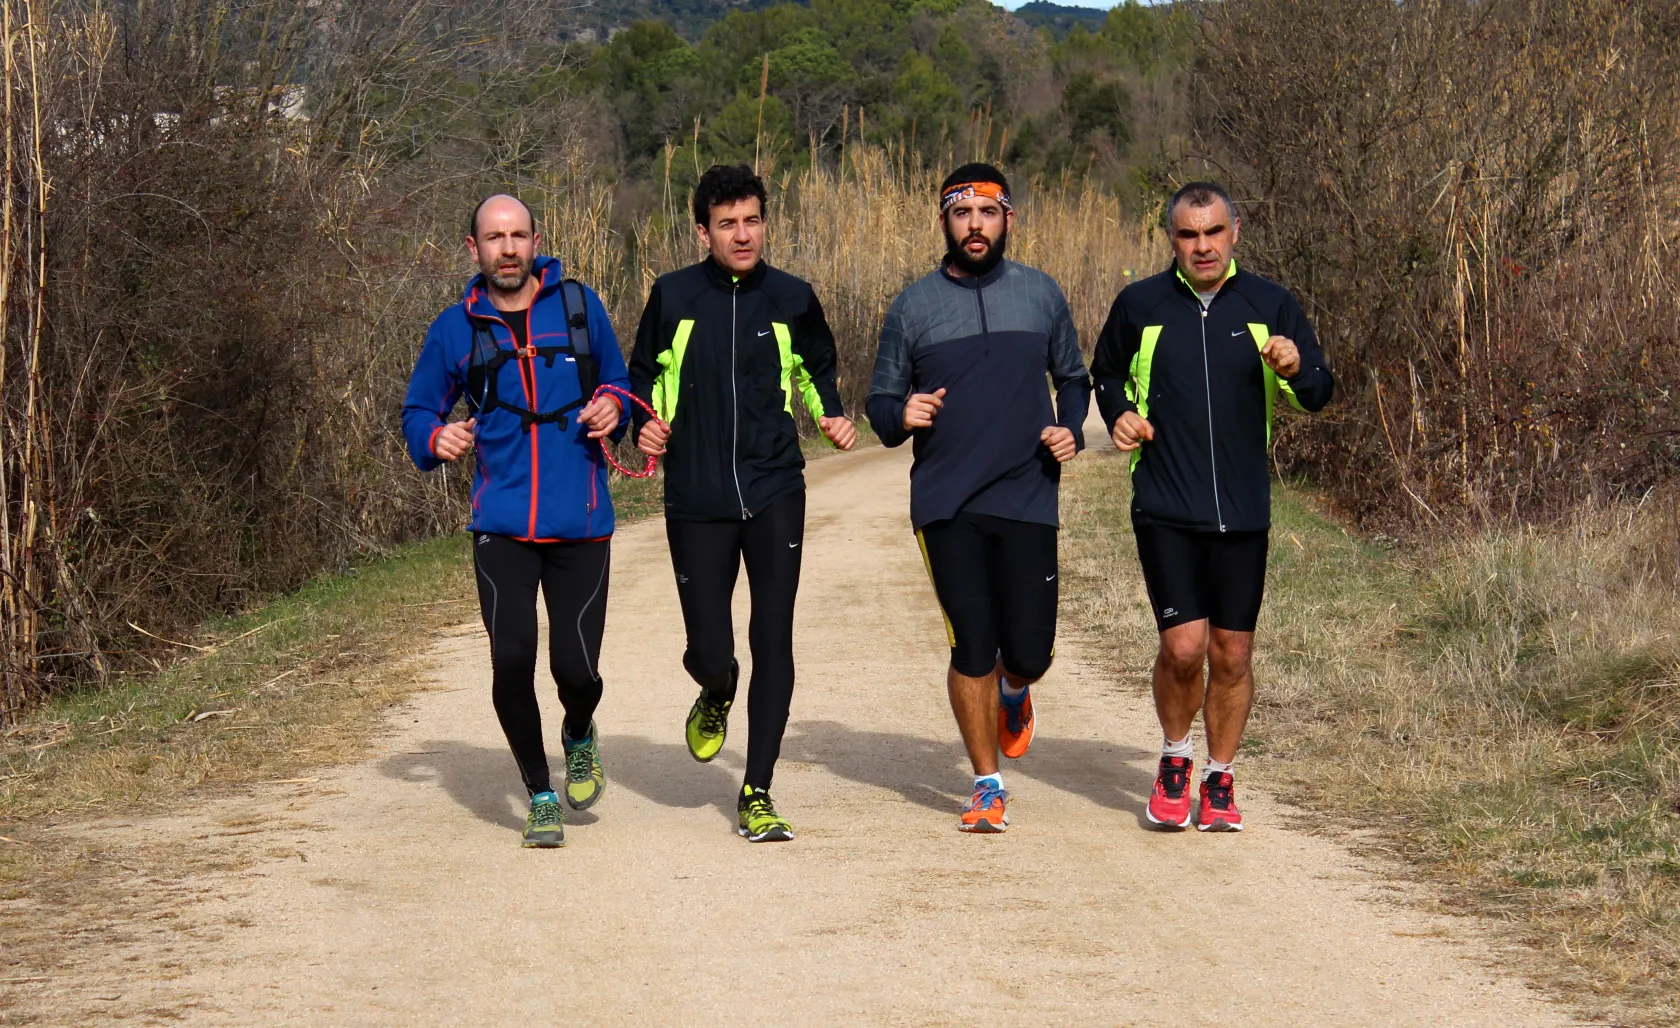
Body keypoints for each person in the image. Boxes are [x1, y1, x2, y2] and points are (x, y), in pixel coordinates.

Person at [1091, 181, 1334, 832]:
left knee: (1231, 654)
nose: (1202, 246)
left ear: (1235, 232)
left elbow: (1318, 390)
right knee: (1184, 647)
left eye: (1213, 233)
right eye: (1188, 235)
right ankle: (1176, 759)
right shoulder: (1140, 304)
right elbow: (1106, 372)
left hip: (1244, 511)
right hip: (1165, 504)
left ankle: (1219, 777)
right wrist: (1119, 415)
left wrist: (1293, 366)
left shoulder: (1269, 303)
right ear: (1172, 239)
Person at [629, 164, 855, 843]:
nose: (743, 233)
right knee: (711, 649)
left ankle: (757, 790)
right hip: (695, 494)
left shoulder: (792, 296)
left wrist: (831, 415)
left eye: (752, 220)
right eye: (727, 223)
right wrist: (644, 424)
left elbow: (816, 367)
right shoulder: (672, 296)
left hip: (774, 486)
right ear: (703, 231)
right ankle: (716, 689)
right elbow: (644, 376)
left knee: (772, 634)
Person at [865, 163, 1090, 834]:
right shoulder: (912, 307)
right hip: (946, 503)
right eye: (961, 214)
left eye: (987, 213)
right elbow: (880, 407)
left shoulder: (1042, 296)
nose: (975, 225)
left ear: (1008, 220)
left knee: (1029, 651)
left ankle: (1016, 691)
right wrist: (901, 413)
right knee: (972, 645)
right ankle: (987, 784)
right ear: (945, 221)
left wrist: (1069, 426)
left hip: (1027, 494)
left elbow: (1073, 379)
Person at [402, 194, 630, 848]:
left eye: (518, 235)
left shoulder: (581, 309)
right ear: (472, 249)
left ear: (535, 241)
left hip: (581, 520)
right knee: (511, 659)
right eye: (494, 238)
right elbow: (418, 410)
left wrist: (613, 407)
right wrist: (433, 438)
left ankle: (579, 733)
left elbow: (618, 381)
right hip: (500, 523)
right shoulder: (455, 328)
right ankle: (539, 791)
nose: (508, 248)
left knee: (577, 670)